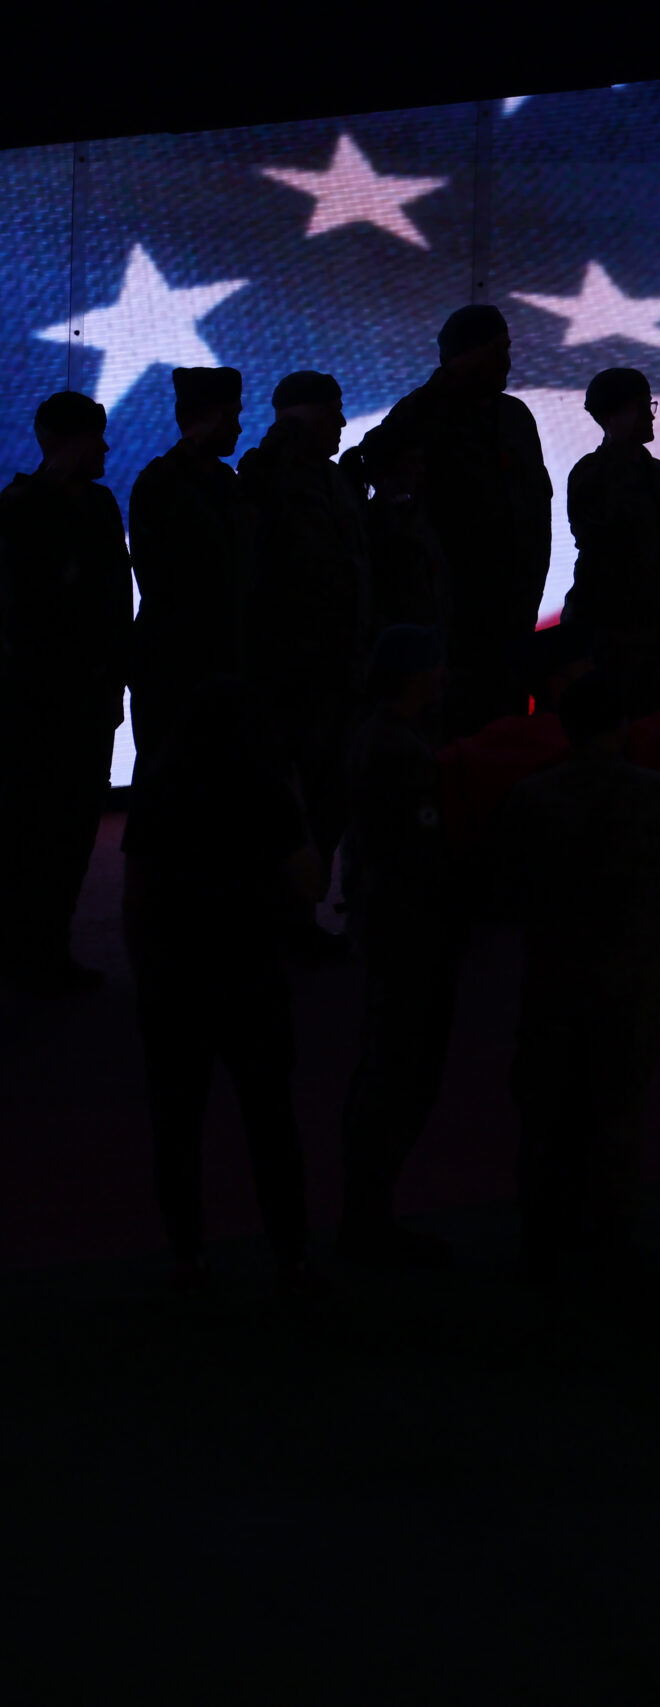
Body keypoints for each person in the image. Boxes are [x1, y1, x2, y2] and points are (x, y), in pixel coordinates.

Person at [485, 670, 660, 1276]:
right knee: (620, 1113)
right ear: (622, 725)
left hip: (553, 978)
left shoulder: (532, 796)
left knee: (547, 1111)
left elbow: (503, 890)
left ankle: (542, 1236)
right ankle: (612, 1239)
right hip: (631, 980)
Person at [121, 675, 326, 1292]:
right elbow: (311, 884)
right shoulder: (265, 788)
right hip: (252, 978)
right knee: (271, 1119)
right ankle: (290, 1254)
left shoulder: (158, 788)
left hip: (175, 983)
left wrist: (146, 977)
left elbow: (135, 901)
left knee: (177, 1125)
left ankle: (189, 1256)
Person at [362, 305, 551, 737]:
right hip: (451, 629)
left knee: (505, 735)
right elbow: (388, 496)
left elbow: (534, 513)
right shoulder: (420, 416)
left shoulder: (515, 418)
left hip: (512, 616)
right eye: (496, 348)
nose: (507, 359)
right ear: (464, 354)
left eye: (507, 348)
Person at [337, 625, 463, 1268]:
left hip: (389, 922)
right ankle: (367, 1216)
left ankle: (364, 1211)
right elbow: (422, 850)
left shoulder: (380, 737)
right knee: (399, 1070)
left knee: (388, 1065)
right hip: (408, 930)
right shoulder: (400, 749)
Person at [0, 391, 129, 996]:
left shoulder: (41, 506)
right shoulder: (32, 510)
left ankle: (42, 950)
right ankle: (38, 952)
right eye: (95, 437)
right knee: (43, 831)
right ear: (72, 440)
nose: (105, 447)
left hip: (71, 701)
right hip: (47, 704)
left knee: (67, 832)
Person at [239, 370, 369, 956]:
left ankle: (290, 917)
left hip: (318, 664)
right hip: (305, 668)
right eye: (334, 411)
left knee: (315, 796)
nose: (342, 423)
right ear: (312, 414)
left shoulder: (298, 475)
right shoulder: (287, 478)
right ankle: (288, 919)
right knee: (307, 797)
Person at [126, 365, 252, 757]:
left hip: (196, 666)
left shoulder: (187, 481)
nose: (238, 427)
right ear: (211, 415)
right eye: (232, 416)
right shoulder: (167, 484)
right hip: (182, 670)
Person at [562, 367, 660, 713]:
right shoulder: (592, 474)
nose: (650, 415)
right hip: (611, 638)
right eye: (641, 406)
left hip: (655, 639)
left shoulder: (659, 475)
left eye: (650, 405)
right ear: (613, 415)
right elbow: (601, 550)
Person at [349, 422, 447, 641]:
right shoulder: (380, 526)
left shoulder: (413, 516)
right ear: (388, 469)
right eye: (412, 462)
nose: (420, 470)